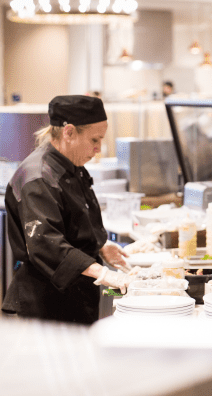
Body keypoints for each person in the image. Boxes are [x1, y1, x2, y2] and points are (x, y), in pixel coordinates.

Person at [2, 95, 134, 324]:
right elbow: (46, 244)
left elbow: (75, 219)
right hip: (47, 302)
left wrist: (100, 246)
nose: (98, 148)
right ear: (69, 132)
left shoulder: (72, 164)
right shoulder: (39, 177)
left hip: (75, 296)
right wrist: (102, 273)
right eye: (94, 139)